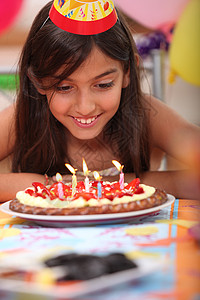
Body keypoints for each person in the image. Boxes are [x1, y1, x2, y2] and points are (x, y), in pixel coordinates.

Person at [0, 0, 199, 202]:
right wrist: (46, 186)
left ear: (128, 71)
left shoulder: (148, 115)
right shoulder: (22, 117)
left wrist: (107, 185)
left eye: (103, 85)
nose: (85, 107)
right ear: (38, 81)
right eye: (64, 87)